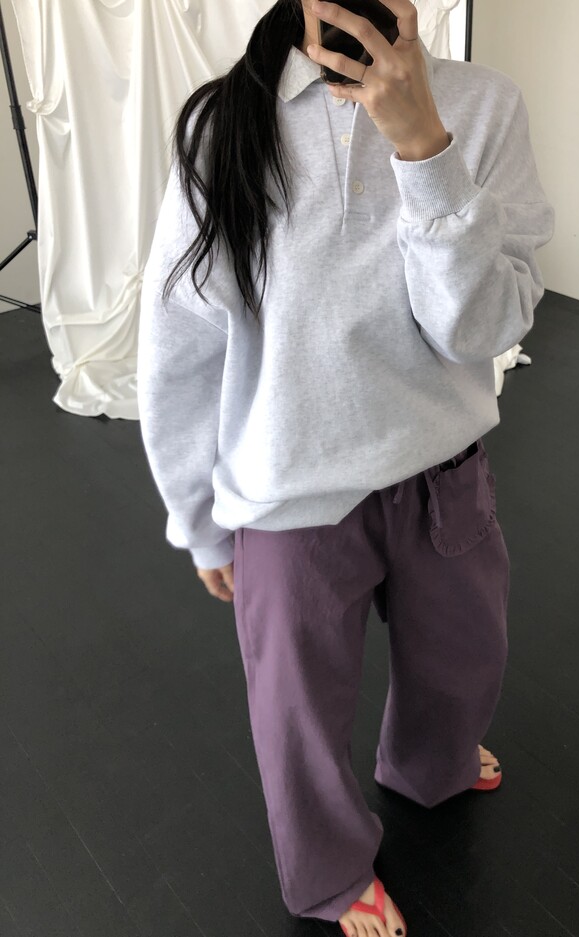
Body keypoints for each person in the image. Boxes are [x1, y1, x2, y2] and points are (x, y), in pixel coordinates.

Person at [137, 0, 555, 933]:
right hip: (289, 492)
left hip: (443, 466)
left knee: (464, 659)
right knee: (296, 717)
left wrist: (424, 147)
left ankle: (433, 764)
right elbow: (179, 341)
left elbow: (484, 330)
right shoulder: (226, 122)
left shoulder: (484, 105)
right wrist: (196, 514)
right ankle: (327, 872)